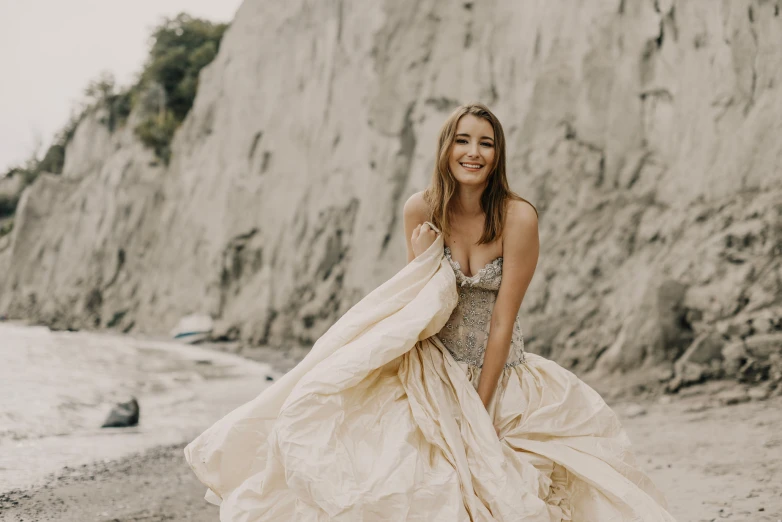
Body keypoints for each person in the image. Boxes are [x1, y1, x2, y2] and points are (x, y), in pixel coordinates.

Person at [185, 103, 677, 521]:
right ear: (446, 149)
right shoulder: (420, 209)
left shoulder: (518, 216)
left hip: (497, 375)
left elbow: (503, 321)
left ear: (497, 154)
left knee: (503, 486)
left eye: (486, 143)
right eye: (462, 140)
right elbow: (415, 306)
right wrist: (424, 257)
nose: (473, 152)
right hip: (428, 369)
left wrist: (477, 413)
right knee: (391, 474)